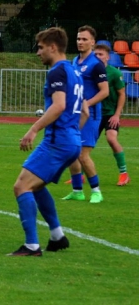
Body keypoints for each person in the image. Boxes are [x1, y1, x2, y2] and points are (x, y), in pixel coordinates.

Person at [9, 27, 85, 256]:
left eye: (41, 48)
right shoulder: (75, 72)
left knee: (21, 186)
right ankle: (57, 236)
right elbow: (85, 112)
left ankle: (32, 246)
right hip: (71, 141)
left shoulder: (57, 72)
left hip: (57, 141)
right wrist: (72, 134)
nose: (38, 52)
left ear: (53, 47)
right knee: (37, 186)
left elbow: (59, 105)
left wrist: (33, 130)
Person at [63, 25, 109, 203]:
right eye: (78, 38)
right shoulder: (75, 61)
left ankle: (96, 191)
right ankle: (77, 191)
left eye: (84, 39)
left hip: (90, 115)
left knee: (82, 154)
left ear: (92, 42)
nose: (80, 42)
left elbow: (104, 92)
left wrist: (87, 104)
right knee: (72, 152)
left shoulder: (96, 65)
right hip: (75, 114)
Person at [93, 44, 130, 186]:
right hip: (93, 114)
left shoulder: (114, 73)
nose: (98, 57)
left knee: (111, 139)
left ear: (107, 57)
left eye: (101, 54)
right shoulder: (90, 72)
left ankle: (124, 174)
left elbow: (122, 94)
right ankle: (80, 176)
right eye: (95, 54)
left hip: (109, 114)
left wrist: (117, 115)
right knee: (84, 144)